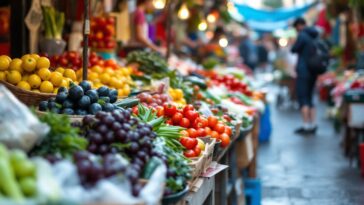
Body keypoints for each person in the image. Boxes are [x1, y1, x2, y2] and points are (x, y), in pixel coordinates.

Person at [291, 17, 319, 134]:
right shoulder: (314, 35)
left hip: (303, 71)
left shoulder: (302, 35)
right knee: (310, 97)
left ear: (298, 26)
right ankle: (313, 124)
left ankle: (306, 125)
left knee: (303, 98)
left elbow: (294, 49)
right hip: (314, 71)